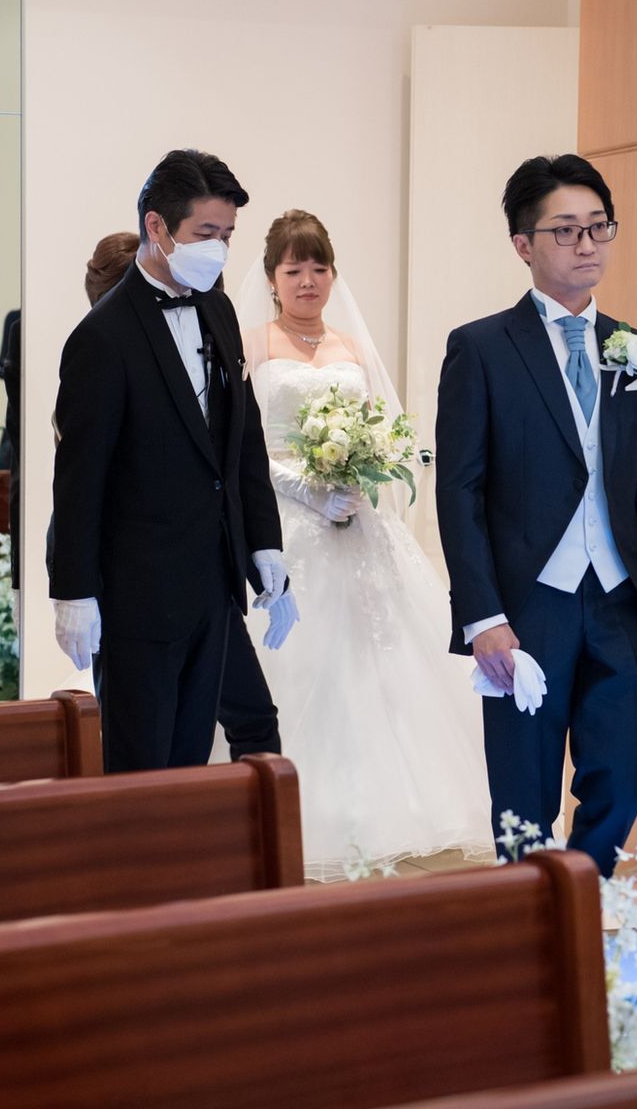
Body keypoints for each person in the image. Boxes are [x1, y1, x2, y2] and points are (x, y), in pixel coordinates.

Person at [435, 154, 637, 879]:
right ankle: (529, 917)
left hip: (618, 600)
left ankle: (579, 900)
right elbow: (460, 491)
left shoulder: (635, 349)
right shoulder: (481, 348)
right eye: (566, 230)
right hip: (528, 606)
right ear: (523, 244)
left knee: (623, 767)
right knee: (524, 786)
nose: (587, 245)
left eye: (598, 228)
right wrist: (483, 617)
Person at [237, 208, 492, 881]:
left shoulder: (351, 348)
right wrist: (305, 487)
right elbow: (241, 448)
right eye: (294, 269)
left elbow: (389, 433)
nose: (309, 280)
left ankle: (400, 813)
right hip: (286, 525)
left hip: (357, 520)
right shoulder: (252, 345)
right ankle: (296, 815)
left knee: (382, 656)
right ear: (271, 278)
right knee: (303, 665)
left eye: (319, 267)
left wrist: (362, 476)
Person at [50, 149, 295, 772]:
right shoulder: (102, 337)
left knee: (192, 765)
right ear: (157, 227)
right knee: (140, 768)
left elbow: (242, 439)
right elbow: (79, 479)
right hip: (137, 596)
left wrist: (264, 543)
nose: (218, 250)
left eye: (227, 236)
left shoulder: (218, 309)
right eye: (205, 233)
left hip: (213, 586)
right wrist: (73, 591)